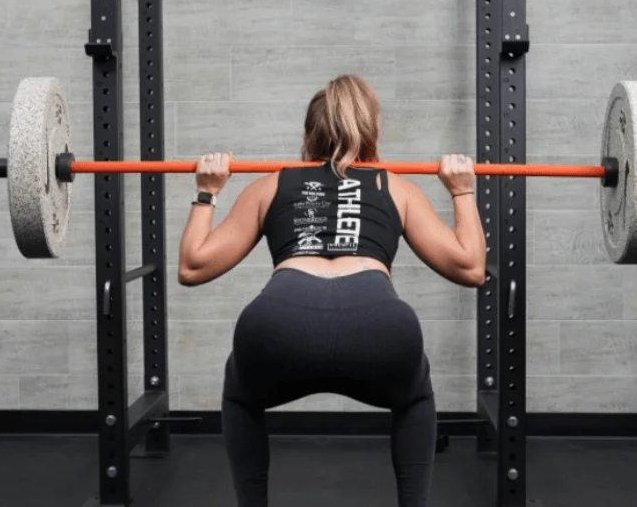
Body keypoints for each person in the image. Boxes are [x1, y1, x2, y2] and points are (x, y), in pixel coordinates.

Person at [177, 74, 487, 507]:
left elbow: (192, 267)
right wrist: (463, 191)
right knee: (415, 395)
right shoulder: (396, 186)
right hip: (378, 325)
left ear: (307, 137)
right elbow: (471, 267)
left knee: (241, 392)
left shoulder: (270, 185)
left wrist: (207, 191)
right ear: (372, 135)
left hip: (280, 323)